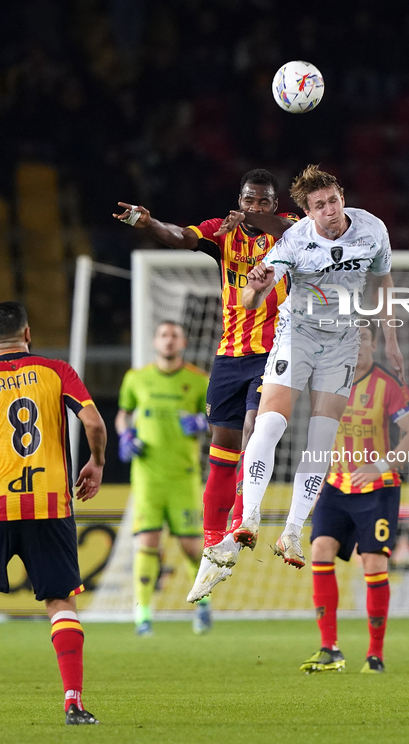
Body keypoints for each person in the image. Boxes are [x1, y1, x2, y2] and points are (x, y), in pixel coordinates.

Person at [113, 169, 298, 601]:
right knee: (222, 451)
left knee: (258, 429)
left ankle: (243, 523)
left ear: (274, 203)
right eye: (249, 200)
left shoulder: (290, 233)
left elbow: (299, 230)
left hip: (275, 351)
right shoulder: (222, 232)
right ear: (239, 198)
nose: (255, 208)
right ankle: (216, 541)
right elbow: (180, 236)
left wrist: (264, 221)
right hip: (229, 357)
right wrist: (148, 223)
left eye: (264, 202)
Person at [233, 165, 405, 568]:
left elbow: (385, 282)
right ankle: (250, 517)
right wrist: (256, 290)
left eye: (333, 200)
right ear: (307, 213)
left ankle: (292, 532)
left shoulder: (372, 229)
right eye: (319, 206)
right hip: (299, 334)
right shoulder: (293, 241)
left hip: (343, 339)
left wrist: (391, 340)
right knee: (271, 423)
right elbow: (249, 300)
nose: (330, 210)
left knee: (321, 437)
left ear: (341, 196)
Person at [299, 323, 409, 674]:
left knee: (373, 563)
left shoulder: (387, 386)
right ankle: (329, 649)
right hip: (336, 484)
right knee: (319, 550)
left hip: (378, 489)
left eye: (363, 339)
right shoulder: (328, 381)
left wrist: (380, 465)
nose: (356, 345)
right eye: (349, 338)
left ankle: (375, 655)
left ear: (373, 345)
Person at [0, 302, 107, 725]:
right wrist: (96, 462)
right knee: (60, 602)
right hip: (48, 502)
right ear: (27, 334)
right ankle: (73, 703)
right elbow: (94, 423)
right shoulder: (55, 370)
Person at [116, 321, 209, 634]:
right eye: (163, 335)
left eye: (174, 335)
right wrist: (125, 435)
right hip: (148, 475)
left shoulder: (198, 380)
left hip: (184, 475)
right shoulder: (136, 378)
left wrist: (201, 423)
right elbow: (123, 414)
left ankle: (203, 602)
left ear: (183, 342)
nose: (168, 341)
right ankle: (142, 614)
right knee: (148, 542)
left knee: (191, 547)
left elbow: (213, 420)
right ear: (155, 341)